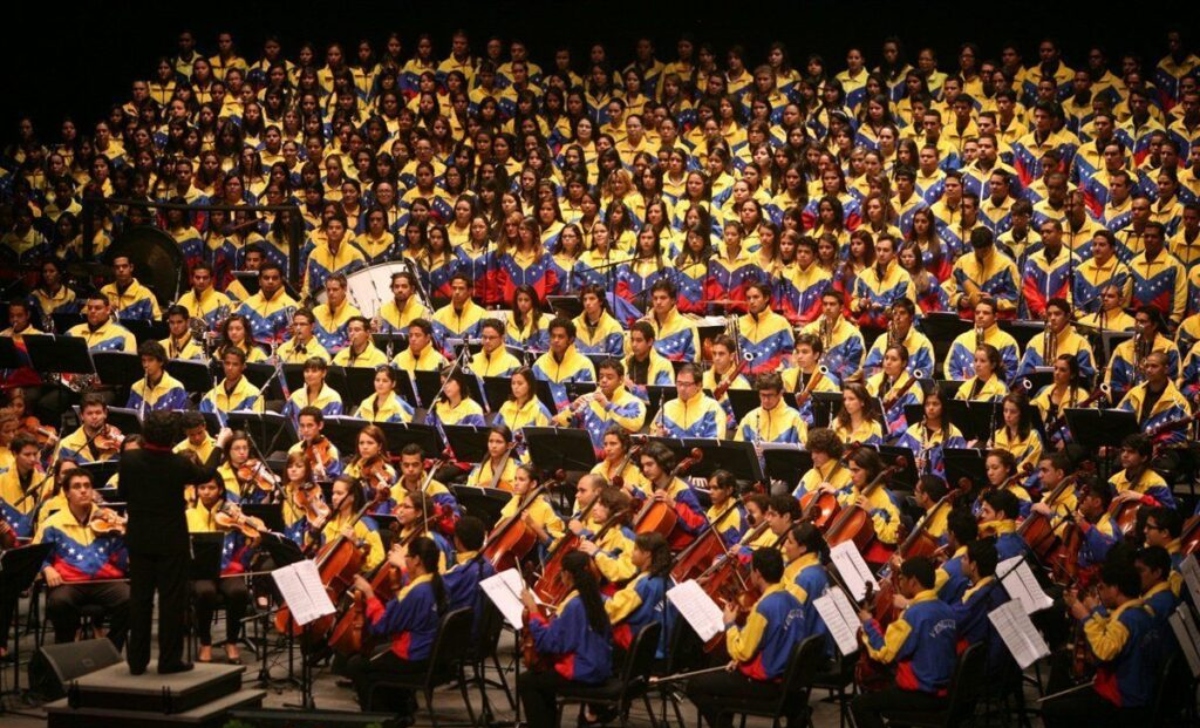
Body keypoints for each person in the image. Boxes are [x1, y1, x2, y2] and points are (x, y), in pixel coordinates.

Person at [118, 411, 227, 674]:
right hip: (171, 541)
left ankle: (137, 661)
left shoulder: (129, 459)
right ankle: (168, 660)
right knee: (171, 602)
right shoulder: (178, 463)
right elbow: (205, 473)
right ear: (172, 436)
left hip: (140, 538)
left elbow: (123, 492)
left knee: (140, 600)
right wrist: (220, 445)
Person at [685, 548, 804, 728]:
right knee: (719, 672)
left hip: (766, 684)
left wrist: (730, 624)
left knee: (695, 687)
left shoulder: (764, 607)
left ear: (757, 573)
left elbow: (741, 652)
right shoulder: (793, 600)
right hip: (788, 679)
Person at [1042, 559, 1158, 726]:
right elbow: (1111, 624)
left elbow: (1102, 653)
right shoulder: (1143, 612)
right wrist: (1095, 610)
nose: (1100, 593)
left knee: (1052, 710)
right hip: (1140, 693)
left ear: (1115, 589)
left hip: (1122, 702)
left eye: (1102, 587)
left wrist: (1085, 617)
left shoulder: (1126, 621)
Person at [345, 537, 446, 720]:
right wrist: (404, 570)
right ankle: (401, 709)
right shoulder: (434, 583)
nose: (405, 560)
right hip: (430, 654)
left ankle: (377, 720)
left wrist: (369, 593)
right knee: (377, 653)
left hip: (413, 658)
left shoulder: (416, 594)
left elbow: (380, 626)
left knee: (356, 665)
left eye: (408, 557)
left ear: (417, 560)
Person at [850, 557, 958, 728]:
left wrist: (869, 624)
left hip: (923, 694)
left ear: (913, 582)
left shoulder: (912, 615)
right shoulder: (946, 609)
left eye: (901, 579)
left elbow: (884, 653)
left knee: (860, 705)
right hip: (948, 691)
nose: (899, 583)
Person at [34, 470, 131, 652]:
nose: (83, 490)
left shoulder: (109, 518)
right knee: (58, 603)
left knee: (133, 600)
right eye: (77, 487)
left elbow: (122, 557)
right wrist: (47, 568)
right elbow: (36, 556)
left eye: (87, 486)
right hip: (69, 584)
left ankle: (110, 649)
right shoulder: (52, 524)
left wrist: (126, 533)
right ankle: (67, 649)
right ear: (66, 493)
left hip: (105, 581)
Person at [518, 551, 613, 726]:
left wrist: (533, 610)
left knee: (527, 681)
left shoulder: (574, 605)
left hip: (584, 672)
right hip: (601, 667)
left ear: (567, 574)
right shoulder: (598, 597)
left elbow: (549, 644)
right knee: (542, 678)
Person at [185, 473, 251, 664]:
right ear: (196, 490)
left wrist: (249, 537)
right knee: (205, 592)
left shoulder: (232, 514)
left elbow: (241, 549)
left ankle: (231, 641)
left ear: (220, 490)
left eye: (212, 488)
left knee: (239, 592)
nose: (206, 492)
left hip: (226, 570)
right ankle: (205, 642)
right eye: (202, 488)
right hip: (199, 572)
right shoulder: (188, 515)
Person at [200, 347, 265, 415]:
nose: (230, 368)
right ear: (223, 364)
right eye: (227, 363)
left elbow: (258, 421)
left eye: (235, 364)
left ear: (243, 366)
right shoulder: (209, 397)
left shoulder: (255, 394)